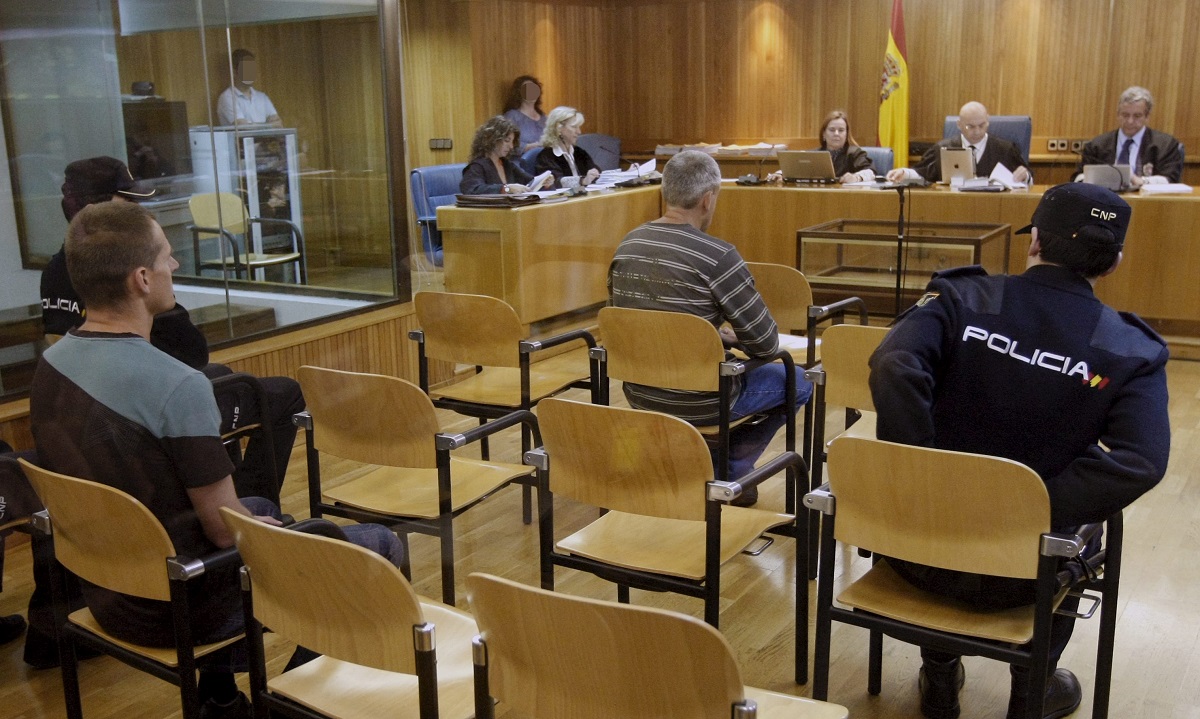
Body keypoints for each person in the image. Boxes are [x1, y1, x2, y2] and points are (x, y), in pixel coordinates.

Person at [29, 201, 405, 718]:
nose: (175, 266)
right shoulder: (176, 385)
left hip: (106, 593)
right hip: (182, 602)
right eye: (166, 256)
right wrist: (265, 531)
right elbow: (227, 533)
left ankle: (220, 699)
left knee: (257, 506)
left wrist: (255, 520)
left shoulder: (50, 366)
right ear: (141, 278)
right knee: (380, 545)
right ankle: (287, 707)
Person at [868, 183, 1169, 719]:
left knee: (958, 534)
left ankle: (939, 673)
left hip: (920, 549)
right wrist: (1030, 505)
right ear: (1114, 262)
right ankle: (1032, 686)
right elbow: (1140, 461)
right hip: (1027, 575)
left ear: (1034, 243)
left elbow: (893, 365)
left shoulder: (963, 297)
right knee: (1087, 531)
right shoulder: (1130, 349)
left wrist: (924, 471)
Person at [41, 156, 304, 506]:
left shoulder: (53, 342)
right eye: (128, 201)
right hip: (147, 405)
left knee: (223, 376)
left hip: (101, 408)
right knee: (276, 392)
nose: (137, 207)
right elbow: (190, 359)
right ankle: (253, 504)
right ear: (142, 278)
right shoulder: (171, 373)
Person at [608, 150, 813, 507]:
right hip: (702, 401)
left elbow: (634, 320)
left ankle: (694, 465)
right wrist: (722, 337)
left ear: (665, 192)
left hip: (641, 393)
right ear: (707, 199)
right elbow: (765, 344)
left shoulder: (628, 244)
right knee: (801, 383)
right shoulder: (717, 256)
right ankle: (730, 468)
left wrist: (707, 334)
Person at [887, 101, 1031, 184]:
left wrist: (1025, 176)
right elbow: (923, 172)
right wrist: (904, 172)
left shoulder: (1005, 149)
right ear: (959, 125)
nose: (977, 131)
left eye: (982, 125)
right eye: (970, 126)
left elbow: (1027, 177)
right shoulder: (942, 149)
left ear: (988, 121)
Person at [1075, 85, 1183, 187]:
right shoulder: (1097, 145)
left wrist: (1141, 181)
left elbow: (1171, 179)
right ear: (1118, 114)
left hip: (1149, 203)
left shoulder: (1165, 145)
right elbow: (1078, 177)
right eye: (1125, 115)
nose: (1130, 121)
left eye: (1137, 116)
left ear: (1147, 116)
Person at [769, 110, 875, 184]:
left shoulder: (855, 153)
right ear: (824, 134)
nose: (836, 134)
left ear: (846, 134)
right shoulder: (813, 154)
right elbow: (794, 168)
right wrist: (779, 174)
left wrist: (856, 177)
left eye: (841, 130)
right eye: (832, 130)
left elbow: (871, 171)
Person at [460, 116, 550, 195]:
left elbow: (530, 181)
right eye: (507, 141)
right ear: (493, 139)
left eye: (512, 142)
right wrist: (507, 188)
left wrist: (544, 182)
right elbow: (472, 189)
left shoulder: (506, 164)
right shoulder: (477, 166)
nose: (511, 147)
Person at [535, 106, 601, 189]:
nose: (579, 132)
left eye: (579, 127)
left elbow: (596, 173)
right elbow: (555, 182)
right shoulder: (546, 157)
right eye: (574, 127)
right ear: (558, 128)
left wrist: (594, 174)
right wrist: (582, 181)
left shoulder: (579, 152)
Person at [216, 48, 281, 127]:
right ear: (234, 72)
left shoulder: (262, 97)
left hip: (268, 139)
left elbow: (279, 124)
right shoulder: (227, 97)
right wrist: (269, 125)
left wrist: (253, 125)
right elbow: (243, 127)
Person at [502, 75, 547, 153]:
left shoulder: (544, 118)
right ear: (519, 93)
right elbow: (504, 142)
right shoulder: (512, 116)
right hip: (521, 162)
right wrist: (526, 147)